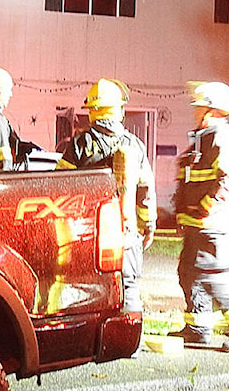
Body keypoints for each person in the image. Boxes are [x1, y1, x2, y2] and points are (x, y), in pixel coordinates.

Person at [56, 78, 157, 315]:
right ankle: (131, 343)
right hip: (125, 233)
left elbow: (61, 187)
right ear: (118, 111)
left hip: (87, 234)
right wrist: (148, 225)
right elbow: (145, 192)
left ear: (93, 112)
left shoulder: (79, 145)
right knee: (129, 288)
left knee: (85, 289)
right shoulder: (135, 146)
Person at [168, 81, 229, 352]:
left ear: (211, 109)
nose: (195, 111)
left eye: (199, 106)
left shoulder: (222, 139)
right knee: (188, 272)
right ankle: (198, 329)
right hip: (196, 223)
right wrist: (182, 210)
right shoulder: (203, 139)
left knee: (213, 276)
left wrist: (204, 208)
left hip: (213, 223)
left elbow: (226, 181)